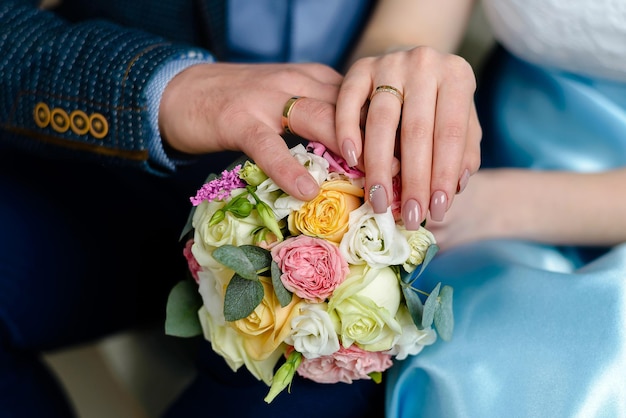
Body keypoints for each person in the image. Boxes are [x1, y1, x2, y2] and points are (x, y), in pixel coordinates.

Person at [0, 0, 481, 417]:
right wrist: (166, 89)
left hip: (328, 187)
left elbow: (402, 32)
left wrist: (387, 91)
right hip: (123, 156)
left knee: (305, 394)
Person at [386, 0, 626, 416]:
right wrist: (400, 86)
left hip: (498, 202)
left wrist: (491, 205)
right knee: (474, 341)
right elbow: (407, 28)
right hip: (480, 166)